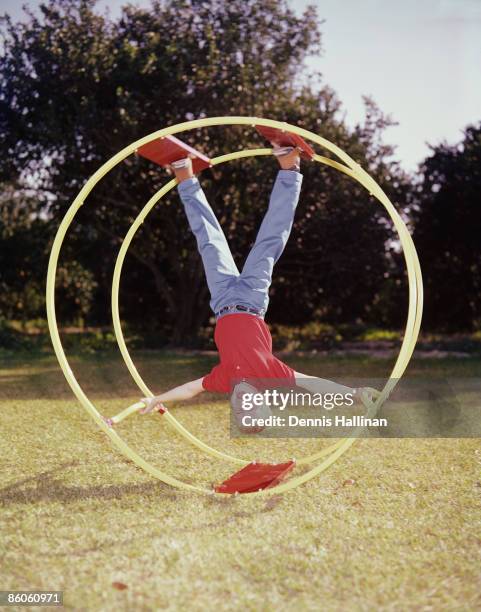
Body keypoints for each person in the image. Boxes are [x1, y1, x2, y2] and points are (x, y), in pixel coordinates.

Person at [140, 147, 372, 431]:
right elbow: (313, 384)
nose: (242, 405)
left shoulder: (224, 380)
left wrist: (158, 398)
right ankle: (290, 169)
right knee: (270, 239)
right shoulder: (268, 374)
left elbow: (191, 389)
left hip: (223, 299)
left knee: (209, 241)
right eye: (253, 408)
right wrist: (354, 394)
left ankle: (185, 176)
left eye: (240, 412)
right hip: (252, 299)